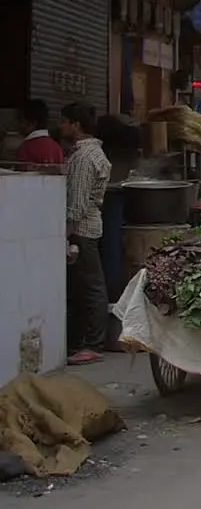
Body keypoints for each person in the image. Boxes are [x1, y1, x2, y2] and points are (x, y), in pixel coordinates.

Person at [61, 102, 112, 366]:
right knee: (82, 287)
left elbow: (77, 205)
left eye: (64, 121)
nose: (61, 127)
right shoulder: (90, 153)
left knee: (90, 287)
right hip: (88, 228)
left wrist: (66, 234)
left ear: (76, 125)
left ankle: (93, 344)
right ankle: (82, 342)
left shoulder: (83, 158)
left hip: (82, 231)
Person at [16, 99, 64, 166]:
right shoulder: (57, 147)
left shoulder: (26, 147)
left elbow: (20, 174)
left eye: (20, 120)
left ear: (32, 123)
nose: (17, 124)